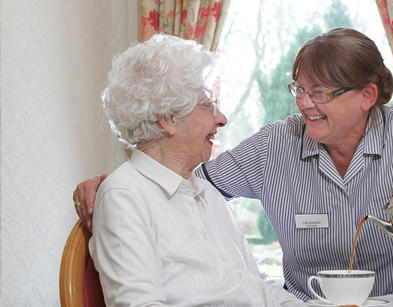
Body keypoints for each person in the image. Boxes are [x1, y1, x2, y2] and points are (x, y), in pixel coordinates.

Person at [74, 28, 393, 301]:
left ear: (366, 97)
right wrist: (114, 185)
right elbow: (175, 177)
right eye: (299, 89)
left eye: (320, 93)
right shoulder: (277, 144)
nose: (304, 104)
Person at [85, 33, 307, 306]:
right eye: (207, 105)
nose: (221, 119)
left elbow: (256, 286)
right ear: (169, 118)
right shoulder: (123, 196)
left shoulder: (205, 192)